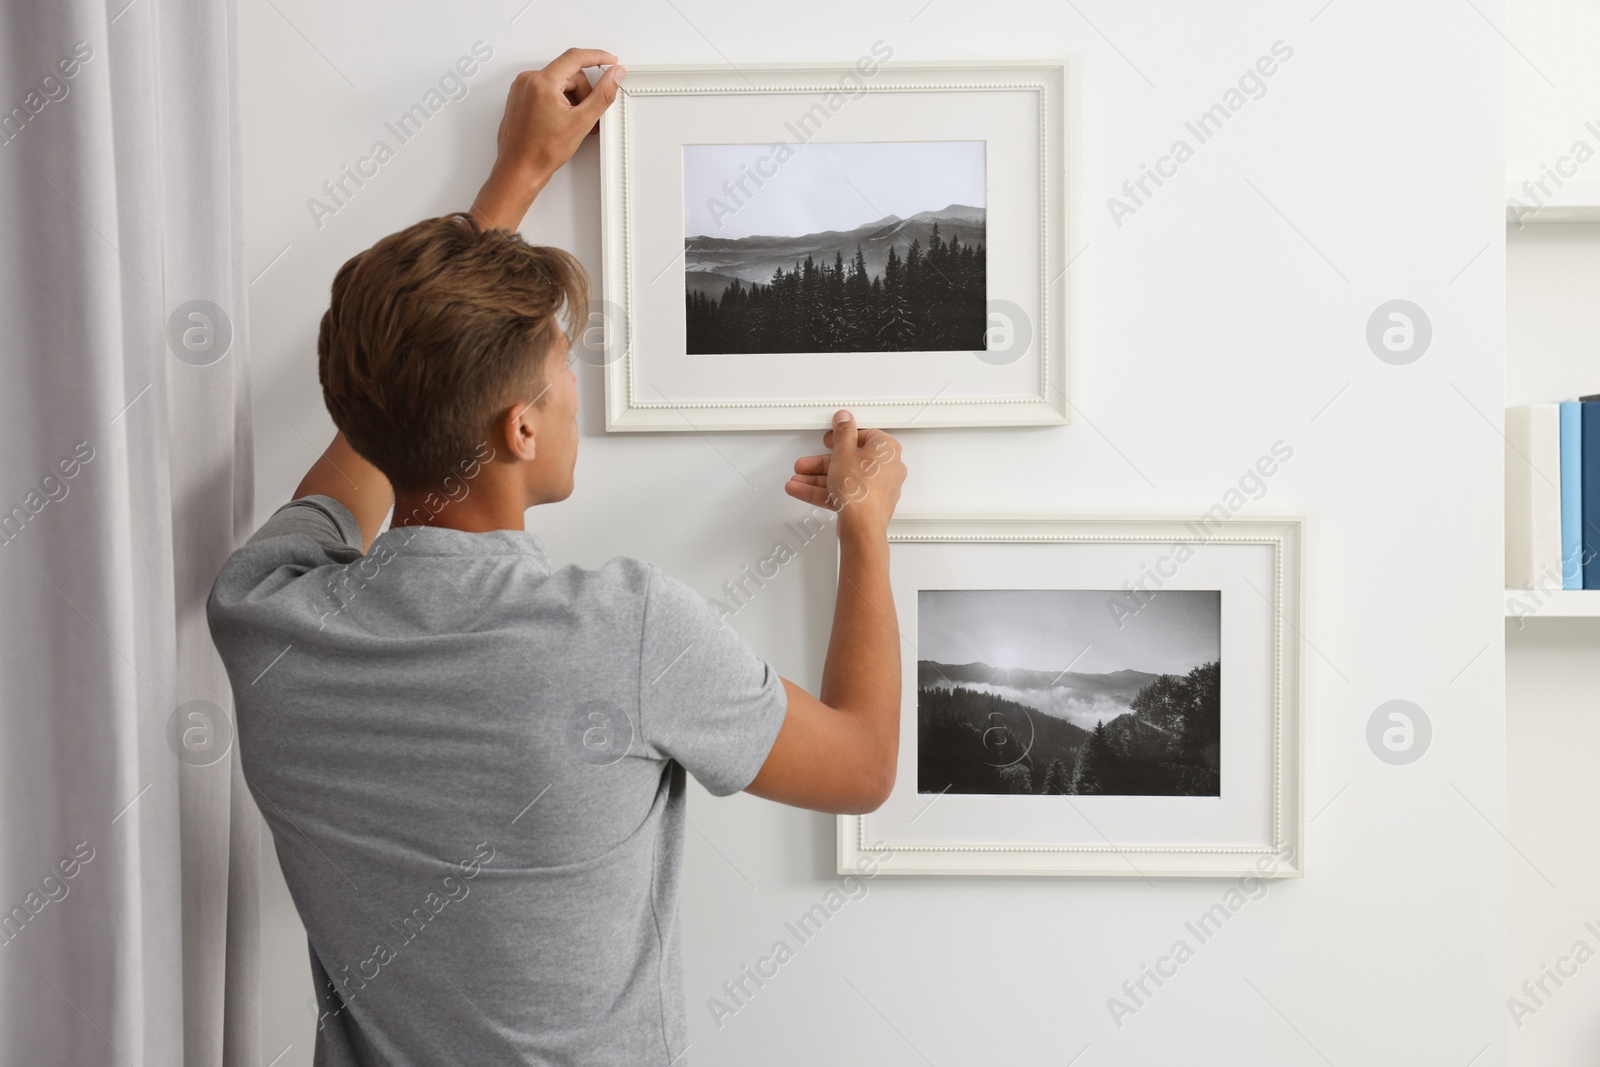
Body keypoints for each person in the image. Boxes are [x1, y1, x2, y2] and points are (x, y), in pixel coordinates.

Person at [207, 48, 907, 1066]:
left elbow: (384, 413)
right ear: (522, 429)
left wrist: (511, 188)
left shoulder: (264, 611)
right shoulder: (622, 632)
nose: (573, 389)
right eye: (562, 370)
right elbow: (861, 765)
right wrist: (864, 525)